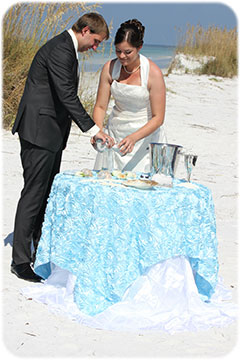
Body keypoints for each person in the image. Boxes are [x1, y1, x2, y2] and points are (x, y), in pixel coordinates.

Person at [11, 12, 114, 282]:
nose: (95, 47)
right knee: (34, 193)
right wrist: (93, 129)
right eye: (95, 41)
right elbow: (66, 94)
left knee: (45, 193)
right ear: (85, 30)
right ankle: (20, 261)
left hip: (51, 134)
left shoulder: (67, 47)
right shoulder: (60, 49)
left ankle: (36, 249)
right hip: (38, 131)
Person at [91, 19, 166, 173]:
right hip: (115, 132)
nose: (122, 56)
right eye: (118, 51)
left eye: (128, 52)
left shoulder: (153, 73)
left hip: (144, 137)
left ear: (139, 47)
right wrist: (98, 130)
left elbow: (158, 118)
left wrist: (134, 138)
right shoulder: (110, 68)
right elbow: (100, 106)